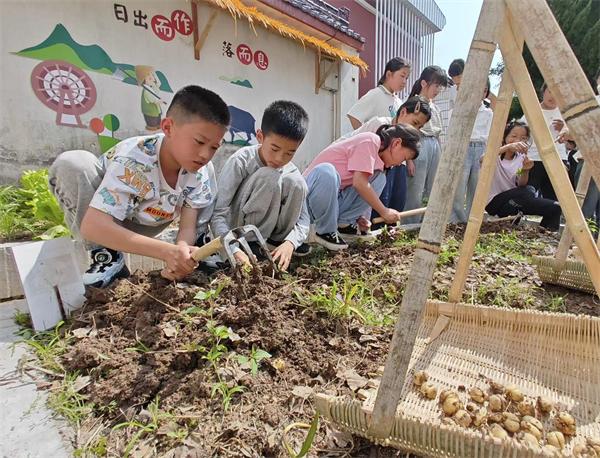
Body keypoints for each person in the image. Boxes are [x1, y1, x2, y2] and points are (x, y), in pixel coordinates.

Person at [48, 85, 230, 287]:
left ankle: (199, 249)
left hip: (152, 221)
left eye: (214, 147)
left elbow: (187, 225)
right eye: (199, 142)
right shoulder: (135, 159)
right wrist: (165, 251)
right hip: (105, 219)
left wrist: (181, 254)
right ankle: (107, 256)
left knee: (210, 181)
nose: (205, 154)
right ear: (168, 128)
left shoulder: (201, 170)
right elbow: (92, 226)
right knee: (73, 163)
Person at [210, 101, 310, 271]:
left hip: (271, 237)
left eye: (290, 152)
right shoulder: (241, 160)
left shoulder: (291, 171)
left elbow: (303, 218)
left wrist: (291, 243)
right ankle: (251, 244)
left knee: (297, 182)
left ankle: (273, 245)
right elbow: (218, 213)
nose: (280, 159)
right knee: (269, 175)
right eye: (275, 148)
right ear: (260, 137)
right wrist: (232, 249)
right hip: (240, 235)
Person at [303, 124, 421, 250]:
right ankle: (325, 232)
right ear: (397, 143)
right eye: (404, 158)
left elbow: (355, 185)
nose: (399, 164)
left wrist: (358, 217)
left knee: (379, 178)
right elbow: (359, 183)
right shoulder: (369, 141)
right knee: (327, 172)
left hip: (330, 203)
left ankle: (344, 223)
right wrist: (384, 212)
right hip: (309, 201)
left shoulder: (378, 165)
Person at [338, 96, 431, 219]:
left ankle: (354, 222)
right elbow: (361, 181)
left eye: (419, 127)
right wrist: (378, 213)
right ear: (403, 112)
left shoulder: (395, 147)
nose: (415, 129)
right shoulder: (378, 128)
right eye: (414, 123)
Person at [486, 121, 561, 231]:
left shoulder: (521, 158)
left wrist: (525, 170)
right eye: (513, 136)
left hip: (513, 201)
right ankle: (515, 213)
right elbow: (484, 159)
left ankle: (544, 236)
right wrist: (508, 147)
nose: (518, 141)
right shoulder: (495, 153)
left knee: (556, 207)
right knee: (528, 190)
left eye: (523, 138)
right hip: (494, 202)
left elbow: (520, 184)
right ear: (505, 137)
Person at [403, 66, 449, 224]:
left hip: (434, 145)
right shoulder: (413, 104)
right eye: (436, 85)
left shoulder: (435, 107)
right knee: (415, 189)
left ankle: (428, 224)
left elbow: (438, 134)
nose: (438, 90)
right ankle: (409, 224)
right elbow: (406, 131)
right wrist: (408, 160)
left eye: (440, 87)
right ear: (424, 83)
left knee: (432, 189)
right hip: (418, 143)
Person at [450, 79, 494, 223]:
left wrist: (487, 153)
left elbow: (489, 135)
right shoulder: (459, 109)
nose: (480, 92)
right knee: (459, 187)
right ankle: (457, 220)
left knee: (475, 188)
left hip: (480, 148)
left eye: (484, 89)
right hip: (464, 147)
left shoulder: (488, 113)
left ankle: (471, 221)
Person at [519, 83, 567, 200]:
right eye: (550, 91)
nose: (553, 97)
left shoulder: (565, 112)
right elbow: (520, 134)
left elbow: (576, 137)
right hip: (534, 158)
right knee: (526, 195)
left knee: (555, 198)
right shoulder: (531, 111)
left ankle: (551, 218)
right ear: (543, 91)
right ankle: (516, 217)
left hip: (558, 158)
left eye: (557, 94)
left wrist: (564, 130)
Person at [346, 57, 411, 129]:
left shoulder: (398, 102)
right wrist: (365, 138)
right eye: (402, 76)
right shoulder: (376, 94)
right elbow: (354, 116)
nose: (404, 81)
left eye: (406, 78)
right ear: (389, 74)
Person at [435, 58, 464, 150]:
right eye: (454, 80)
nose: (457, 85)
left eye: (459, 77)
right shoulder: (452, 91)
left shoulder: (477, 88)